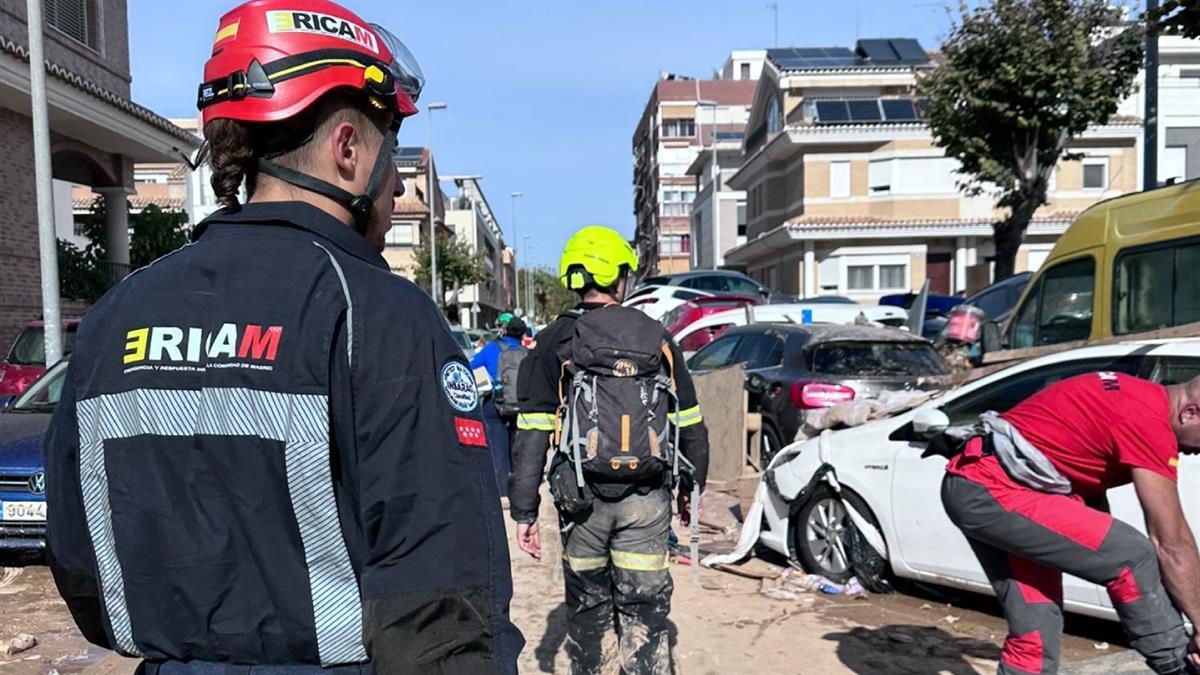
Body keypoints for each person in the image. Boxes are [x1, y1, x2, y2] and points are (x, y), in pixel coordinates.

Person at [43, 1, 523, 672]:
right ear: (349, 149)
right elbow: (442, 610)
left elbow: (78, 554)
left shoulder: (114, 315)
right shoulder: (381, 317)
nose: (398, 185)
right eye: (392, 153)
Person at [508, 226, 710, 675]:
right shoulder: (655, 335)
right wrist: (690, 489)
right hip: (648, 499)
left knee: (588, 611)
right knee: (644, 611)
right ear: (620, 278)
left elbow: (533, 432)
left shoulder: (555, 341)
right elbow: (690, 420)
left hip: (581, 501)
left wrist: (524, 511)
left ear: (575, 278)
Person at [940, 372, 1200, 675]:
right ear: (1190, 413)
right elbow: (1171, 542)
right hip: (994, 491)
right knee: (1133, 555)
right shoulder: (1147, 421)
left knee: (1035, 633)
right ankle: (1177, 666)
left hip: (984, 485)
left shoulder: (1133, 394)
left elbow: (1083, 471)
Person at [472, 316, 528, 495]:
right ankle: (517, 487)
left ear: (504, 330)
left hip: (494, 403)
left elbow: (472, 365)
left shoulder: (491, 348)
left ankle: (502, 490)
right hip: (518, 404)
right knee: (515, 446)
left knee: (498, 447)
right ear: (522, 334)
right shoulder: (525, 352)